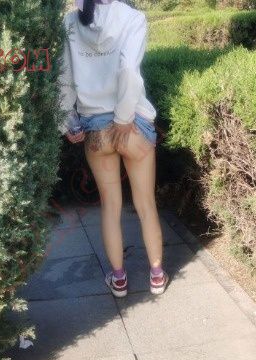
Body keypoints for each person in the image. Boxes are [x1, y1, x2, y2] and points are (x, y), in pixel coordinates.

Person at [57, 0, 169, 297]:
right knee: (146, 205)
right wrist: (122, 117)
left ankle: (118, 279)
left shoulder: (71, 22)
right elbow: (129, 71)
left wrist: (68, 121)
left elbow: (64, 78)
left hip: (96, 128)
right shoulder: (133, 17)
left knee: (110, 206)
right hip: (131, 125)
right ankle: (157, 275)